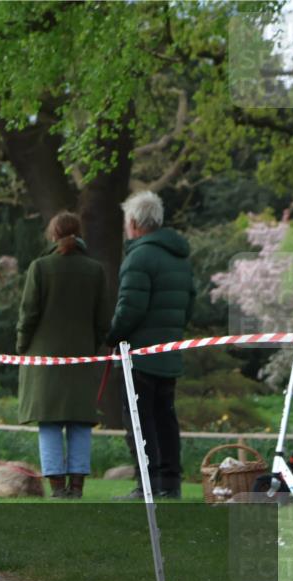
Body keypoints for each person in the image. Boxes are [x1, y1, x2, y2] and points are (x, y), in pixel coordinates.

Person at [107, 191, 195, 500]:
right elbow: (189, 305)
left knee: (139, 422)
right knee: (166, 419)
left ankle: (147, 484)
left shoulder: (139, 257)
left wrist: (111, 336)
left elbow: (130, 308)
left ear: (132, 222)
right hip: (169, 352)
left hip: (140, 357)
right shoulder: (180, 257)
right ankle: (170, 484)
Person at [16, 211, 109, 499]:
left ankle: (57, 487)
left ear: (52, 235)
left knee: (50, 421)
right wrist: (93, 348)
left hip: (45, 360)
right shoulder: (96, 270)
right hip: (82, 358)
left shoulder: (40, 267)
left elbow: (28, 313)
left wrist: (21, 345)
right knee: (80, 421)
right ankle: (77, 486)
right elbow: (103, 319)